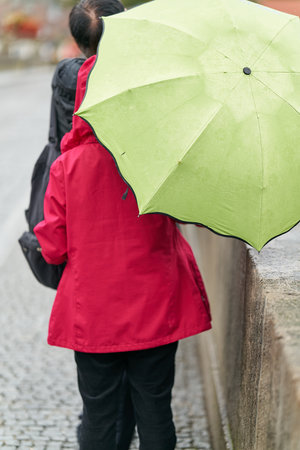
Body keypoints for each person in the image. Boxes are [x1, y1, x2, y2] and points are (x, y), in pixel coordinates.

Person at [34, 16, 212, 450]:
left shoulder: (67, 167)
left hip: (95, 312)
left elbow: (53, 247)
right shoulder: (158, 156)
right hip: (155, 305)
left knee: (98, 416)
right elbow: (187, 213)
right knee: (155, 411)